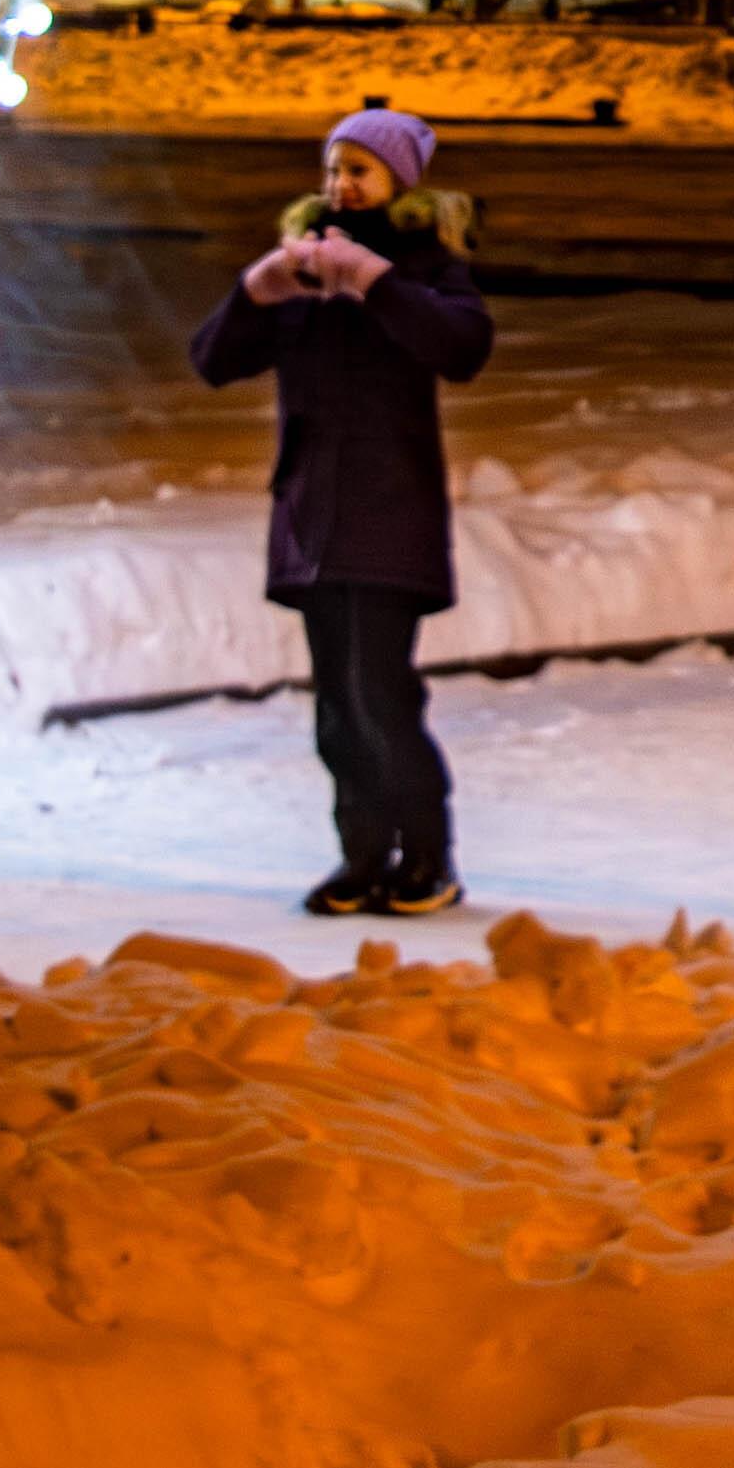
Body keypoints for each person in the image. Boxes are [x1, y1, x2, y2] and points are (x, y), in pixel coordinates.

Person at [186, 105, 495, 918]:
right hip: (310, 520)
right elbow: (213, 360)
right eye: (333, 169)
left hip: (389, 514)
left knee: (379, 695)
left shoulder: (424, 264)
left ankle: (427, 856)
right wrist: (255, 292)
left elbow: (462, 347)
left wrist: (376, 282)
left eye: (358, 170)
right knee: (337, 711)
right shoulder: (304, 268)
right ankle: (362, 858)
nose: (340, 185)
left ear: (398, 180)